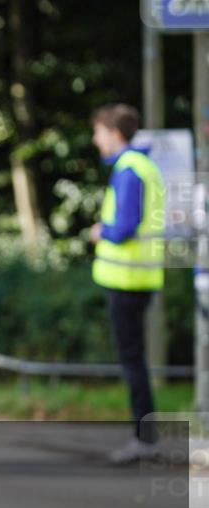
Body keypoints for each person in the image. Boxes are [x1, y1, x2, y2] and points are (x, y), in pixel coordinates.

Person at [88, 103, 165, 464]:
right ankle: (145, 436)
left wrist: (101, 231)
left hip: (127, 280)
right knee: (135, 360)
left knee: (133, 362)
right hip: (140, 277)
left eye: (99, 132)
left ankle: (144, 439)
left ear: (115, 134)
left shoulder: (129, 170)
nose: (95, 139)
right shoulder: (143, 166)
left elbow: (125, 226)